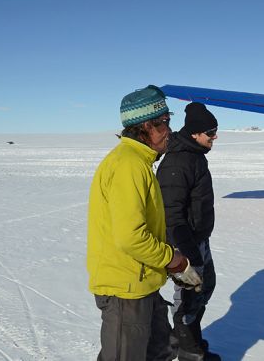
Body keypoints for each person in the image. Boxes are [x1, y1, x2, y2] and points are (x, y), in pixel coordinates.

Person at [87, 85, 203, 361]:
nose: (169, 132)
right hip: (125, 291)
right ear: (146, 127)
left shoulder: (139, 162)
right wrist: (173, 260)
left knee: (161, 351)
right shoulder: (128, 165)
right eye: (165, 123)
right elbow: (131, 237)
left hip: (142, 284)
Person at [156, 102, 221, 361]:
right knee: (188, 296)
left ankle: (185, 338)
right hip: (185, 244)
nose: (215, 137)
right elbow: (171, 215)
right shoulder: (179, 162)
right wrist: (189, 255)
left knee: (205, 288)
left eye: (215, 131)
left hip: (198, 239)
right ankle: (188, 351)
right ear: (195, 133)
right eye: (211, 132)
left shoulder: (193, 156)